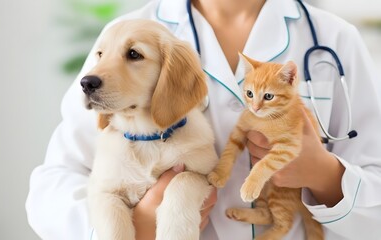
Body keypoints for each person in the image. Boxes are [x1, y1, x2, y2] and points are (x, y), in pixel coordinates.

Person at [26, 0, 381, 239]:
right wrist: (140, 225)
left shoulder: (335, 39)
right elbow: (52, 185)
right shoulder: (128, 32)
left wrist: (323, 173)